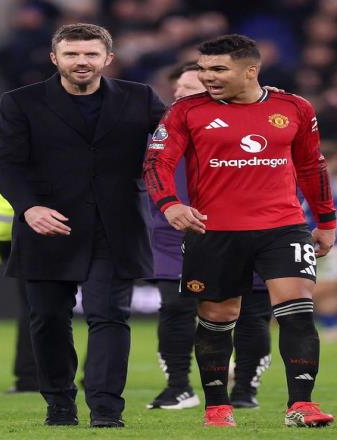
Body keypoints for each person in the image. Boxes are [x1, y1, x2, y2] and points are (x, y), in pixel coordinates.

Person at [144, 34, 337, 428]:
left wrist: (326, 221)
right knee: (218, 318)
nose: (207, 76)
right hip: (214, 231)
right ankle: (218, 408)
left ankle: (301, 405)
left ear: (251, 70)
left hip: (283, 227)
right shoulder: (186, 111)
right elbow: (157, 163)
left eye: (218, 69)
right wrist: (170, 204)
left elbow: (311, 166)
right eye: (203, 68)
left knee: (297, 311)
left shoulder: (294, 107)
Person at [0, 23, 165, 427]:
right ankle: (60, 404)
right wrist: (29, 208)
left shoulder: (140, 97)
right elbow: (3, 162)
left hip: (116, 226)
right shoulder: (21, 102)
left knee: (109, 316)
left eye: (90, 54)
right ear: (55, 58)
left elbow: (177, 139)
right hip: (48, 225)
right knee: (48, 319)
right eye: (71, 54)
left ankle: (106, 411)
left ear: (108, 58)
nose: (81, 61)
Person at [147, 62, 272, 411]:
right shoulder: (159, 132)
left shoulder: (256, 126)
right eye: (176, 90)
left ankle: (245, 388)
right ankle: (177, 387)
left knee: (252, 311)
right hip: (175, 233)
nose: (179, 95)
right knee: (175, 306)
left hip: (245, 229)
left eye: (189, 89)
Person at [0, 184, 38, 392]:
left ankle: (28, 377)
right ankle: (96, 377)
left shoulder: (5, 166)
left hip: (15, 234)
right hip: (47, 226)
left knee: (33, 307)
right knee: (102, 308)